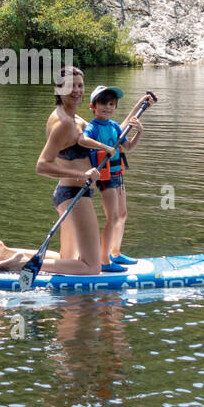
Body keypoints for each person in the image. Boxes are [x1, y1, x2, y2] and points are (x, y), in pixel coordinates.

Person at [0, 66, 112, 275]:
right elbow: (42, 165)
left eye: (80, 85)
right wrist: (82, 175)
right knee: (91, 267)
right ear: (59, 89)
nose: (77, 90)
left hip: (68, 194)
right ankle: (21, 264)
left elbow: (109, 135)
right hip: (75, 196)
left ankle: (3, 252)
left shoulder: (75, 119)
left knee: (67, 260)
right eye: (70, 86)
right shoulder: (63, 123)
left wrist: (137, 113)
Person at [83, 86, 146, 271]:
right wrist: (104, 146)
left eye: (111, 104)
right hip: (105, 177)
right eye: (103, 103)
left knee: (123, 215)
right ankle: (104, 261)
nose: (107, 107)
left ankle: (115, 253)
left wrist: (139, 132)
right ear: (93, 107)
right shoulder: (92, 127)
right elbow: (84, 140)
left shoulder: (115, 126)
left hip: (118, 175)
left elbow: (129, 147)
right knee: (113, 217)